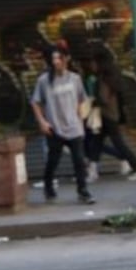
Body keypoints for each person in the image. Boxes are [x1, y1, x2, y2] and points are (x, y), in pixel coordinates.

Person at [29, 44, 96, 205]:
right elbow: (35, 102)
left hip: (74, 127)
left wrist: (81, 116)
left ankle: (83, 191)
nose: (56, 61)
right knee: (53, 160)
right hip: (54, 128)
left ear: (66, 59)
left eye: (59, 58)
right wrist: (42, 122)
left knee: (79, 161)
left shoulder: (75, 78)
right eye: (53, 59)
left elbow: (82, 98)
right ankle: (49, 187)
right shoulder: (44, 81)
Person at [82, 48, 136, 182]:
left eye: (93, 62)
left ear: (100, 63)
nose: (91, 65)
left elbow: (103, 98)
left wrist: (94, 101)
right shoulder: (112, 77)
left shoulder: (103, 79)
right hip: (110, 116)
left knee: (118, 144)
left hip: (107, 116)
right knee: (96, 143)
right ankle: (93, 171)